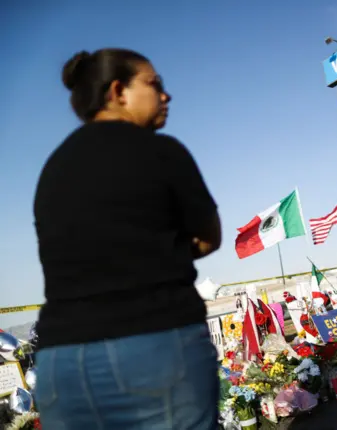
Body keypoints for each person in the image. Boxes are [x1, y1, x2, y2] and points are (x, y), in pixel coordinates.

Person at [34, 48, 222, 429]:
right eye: (155, 84)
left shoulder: (53, 168)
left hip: (60, 362)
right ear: (118, 91)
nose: (165, 95)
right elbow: (208, 237)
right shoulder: (161, 151)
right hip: (153, 344)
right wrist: (163, 250)